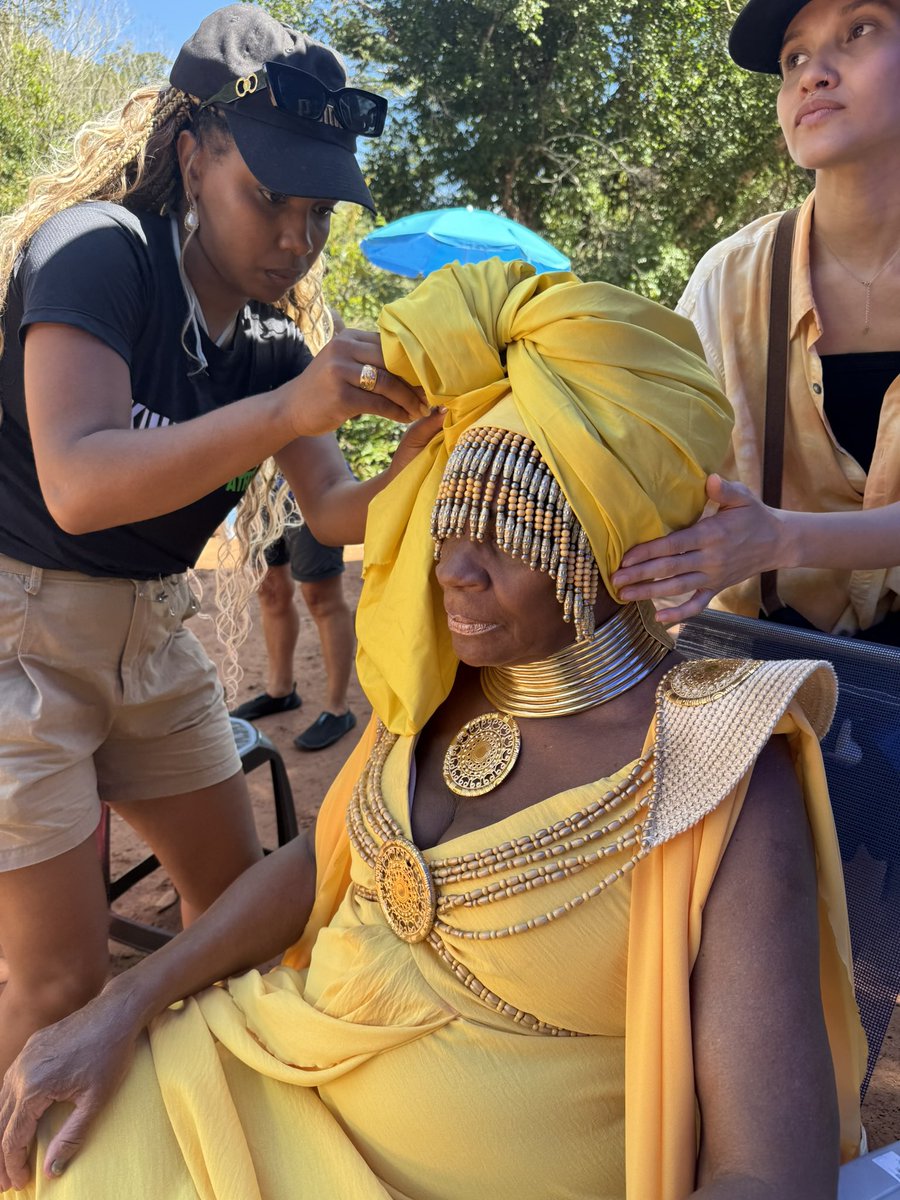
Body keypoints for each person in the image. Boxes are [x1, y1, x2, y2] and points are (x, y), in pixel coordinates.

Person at [0, 260, 865, 1200]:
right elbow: (319, 862)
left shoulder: (716, 765)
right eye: (448, 520)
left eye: (512, 530)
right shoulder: (440, 683)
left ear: (618, 544)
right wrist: (124, 1002)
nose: (454, 570)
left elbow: (767, 1175)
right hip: (264, 1072)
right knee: (57, 1156)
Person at [0, 2, 437, 1080]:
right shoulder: (99, 253)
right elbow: (78, 484)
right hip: (20, 635)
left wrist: (437, 448)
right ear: (195, 157)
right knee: (59, 983)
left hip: (154, 637)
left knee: (235, 920)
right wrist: (289, 410)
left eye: (318, 212)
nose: (297, 238)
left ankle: (204, 1123)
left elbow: (335, 512)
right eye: (270, 198)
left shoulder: (273, 347)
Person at [611, 0, 900, 639]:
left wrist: (781, 538)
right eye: (794, 57)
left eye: (859, 30)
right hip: (774, 671)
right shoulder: (731, 277)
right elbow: (644, 455)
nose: (813, 74)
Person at [230, 521, 358, 750]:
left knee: (321, 596)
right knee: (269, 589)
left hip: (310, 501)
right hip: (258, 500)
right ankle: (281, 691)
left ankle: (338, 708)